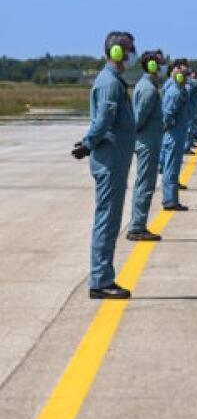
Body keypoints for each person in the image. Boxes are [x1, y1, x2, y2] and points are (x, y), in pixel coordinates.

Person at [71, 31, 137, 299]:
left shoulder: (113, 81)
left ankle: (103, 277)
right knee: (107, 221)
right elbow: (103, 120)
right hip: (110, 162)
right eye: (129, 49)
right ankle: (100, 281)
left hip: (114, 161)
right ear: (117, 52)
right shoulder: (110, 83)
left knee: (109, 220)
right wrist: (88, 143)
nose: (132, 54)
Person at [127, 49, 166, 241]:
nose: (163, 67)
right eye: (161, 63)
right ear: (152, 66)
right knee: (145, 185)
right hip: (147, 144)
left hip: (149, 142)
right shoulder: (148, 90)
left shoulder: (147, 85)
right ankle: (137, 227)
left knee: (144, 184)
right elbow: (138, 120)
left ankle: (138, 225)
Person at [160, 60, 191, 212]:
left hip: (177, 135)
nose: (186, 77)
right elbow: (167, 115)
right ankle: (170, 201)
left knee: (173, 168)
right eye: (184, 74)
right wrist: (168, 128)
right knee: (171, 169)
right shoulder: (175, 92)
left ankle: (171, 199)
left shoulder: (181, 90)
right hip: (173, 136)